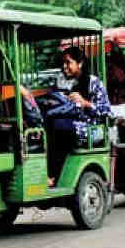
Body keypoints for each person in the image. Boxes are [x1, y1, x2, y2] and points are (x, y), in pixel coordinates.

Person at [45, 46, 112, 186]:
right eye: (63, 63)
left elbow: (106, 111)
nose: (64, 67)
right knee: (48, 123)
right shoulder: (63, 82)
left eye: (68, 62)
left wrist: (85, 103)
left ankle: (54, 174)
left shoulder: (94, 83)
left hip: (92, 128)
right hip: (71, 123)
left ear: (79, 63)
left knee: (58, 127)